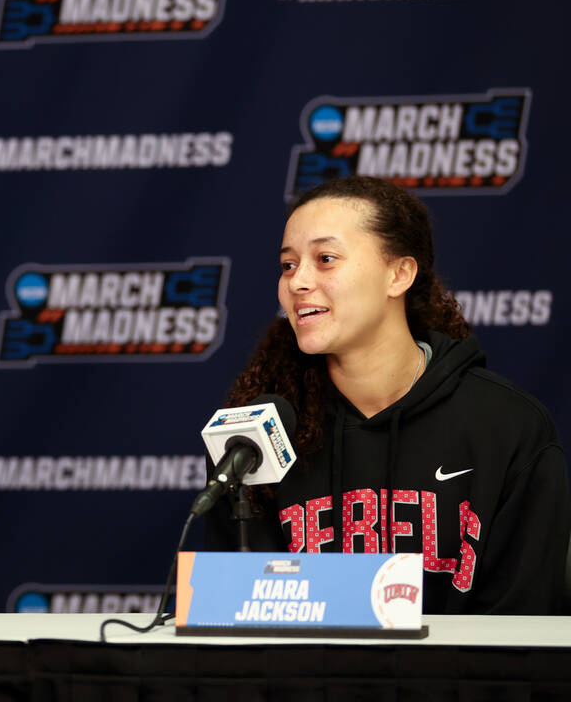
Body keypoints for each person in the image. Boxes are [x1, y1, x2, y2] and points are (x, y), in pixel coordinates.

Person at [206, 175, 570, 614]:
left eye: (325, 259)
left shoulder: (509, 426)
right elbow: (236, 614)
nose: (298, 281)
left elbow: (525, 628)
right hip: (305, 682)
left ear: (399, 274)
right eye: (288, 265)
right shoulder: (255, 437)